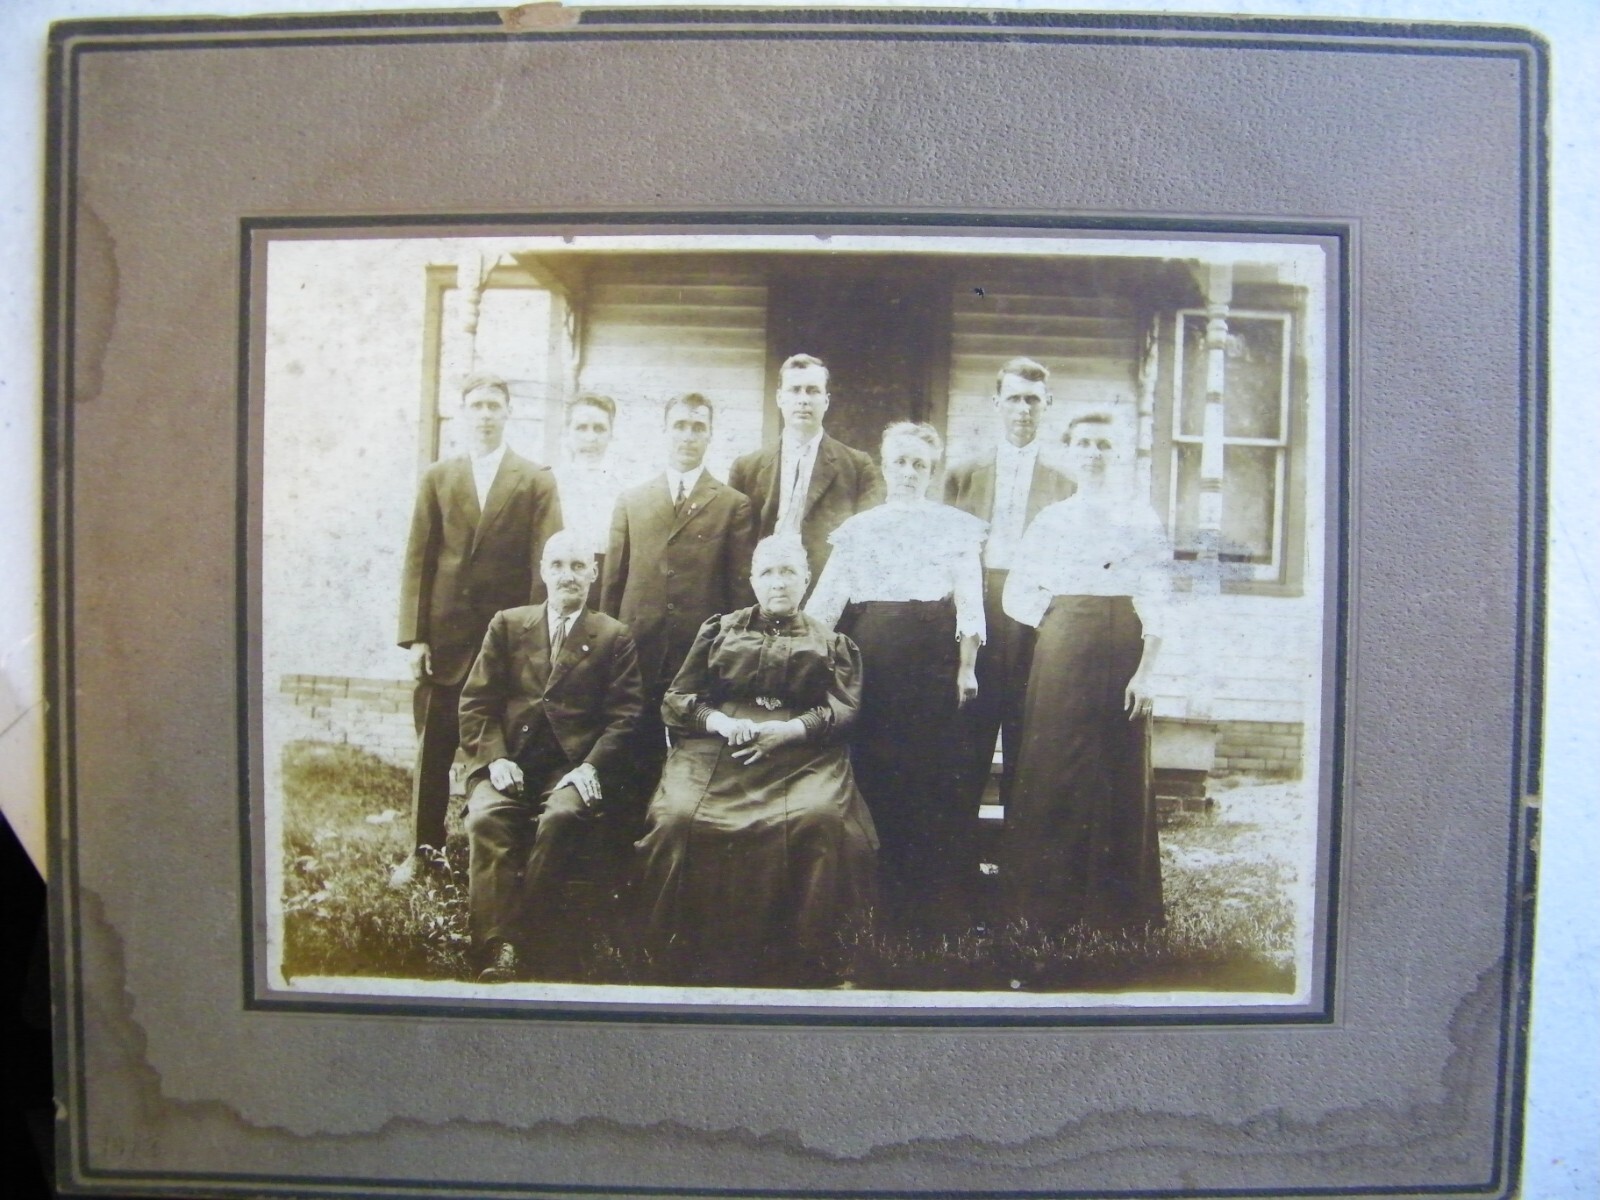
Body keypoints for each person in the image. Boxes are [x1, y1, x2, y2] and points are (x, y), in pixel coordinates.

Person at [635, 533, 878, 987]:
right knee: (678, 817)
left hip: (804, 752)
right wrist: (721, 724)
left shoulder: (830, 641)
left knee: (821, 818)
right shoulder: (720, 630)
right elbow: (678, 698)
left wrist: (788, 731)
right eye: (768, 571)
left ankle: (810, 960)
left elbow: (845, 710)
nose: (778, 582)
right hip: (719, 747)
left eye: (788, 571)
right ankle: (677, 957)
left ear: (806, 579)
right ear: (752, 579)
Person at [806, 422, 986, 933]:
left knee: (928, 777)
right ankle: (872, 899)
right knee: (874, 771)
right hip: (872, 660)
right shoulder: (860, 529)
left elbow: (970, 604)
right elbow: (825, 606)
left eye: (920, 465)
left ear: (931, 472)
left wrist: (967, 667)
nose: (908, 473)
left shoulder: (955, 527)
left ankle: (927, 904)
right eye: (900, 463)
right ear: (885, 467)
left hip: (931, 662)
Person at [1001, 411, 1173, 933]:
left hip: (1122, 644)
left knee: (1114, 769)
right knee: (1053, 765)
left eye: (1104, 444)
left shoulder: (1139, 518)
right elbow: (1018, 591)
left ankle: (1116, 911)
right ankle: (1044, 906)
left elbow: (1159, 598)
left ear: (1118, 454)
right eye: (1084, 443)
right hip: (1062, 648)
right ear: (1071, 451)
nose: (1094, 453)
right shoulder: (1052, 518)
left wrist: (1145, 673)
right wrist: (1061, 621)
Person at [392, 372, 562, 889]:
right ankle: (424, 852)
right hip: (444, 640)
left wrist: (537, 637)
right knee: (435, 748)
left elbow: (545, 563)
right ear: (464, 412)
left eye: (495, 405)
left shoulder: (534, 479)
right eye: (477, 405)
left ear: (509, 412)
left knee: (505, 747)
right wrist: (416, 636)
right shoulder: (438, 477)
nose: (486, 414)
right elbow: (418, 558)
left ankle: (504, 848)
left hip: (505, 641)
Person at [456, 531, 645, 981]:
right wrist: (495, 758)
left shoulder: (613, 636)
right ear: (543, 571)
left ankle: (532, 942)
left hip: (570, 768)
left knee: (561, 818)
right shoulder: (507, 624)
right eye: (558, 565)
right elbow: (475, 703)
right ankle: (497, 946)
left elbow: (627, 716)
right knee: (486, 818)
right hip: (510, 761)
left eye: (579, 566)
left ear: (594, 575)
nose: (568, 576)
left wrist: (590, 768)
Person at [601, 393, 756, 799]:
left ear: (710, 436)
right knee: (634, 757)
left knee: (695, 762)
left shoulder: (732, 505)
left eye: (698, 427)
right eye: (680, 426)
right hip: (638, 653)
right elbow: (612, 587)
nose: (688, 436)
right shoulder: (632, 500)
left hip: (697, 657)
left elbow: (739, 595)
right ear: (665, 432)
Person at [944, 357, 1074, 819]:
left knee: (1029, 734)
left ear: (1048, 405)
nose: (1023, 409)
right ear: (997, 403)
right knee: (967, 737)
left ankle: (1021, 865)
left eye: (1033, 400)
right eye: (1015, 398)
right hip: (980, 609)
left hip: (1035, 617)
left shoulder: (1065, 482)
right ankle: (957, 865)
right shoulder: (963, 474)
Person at [728, 354, 884, 586]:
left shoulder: (858, 467)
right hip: (764, 597)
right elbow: (736, 552)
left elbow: (867, 547)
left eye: (812, 391)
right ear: (780, 398)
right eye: (795, 390)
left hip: (826, 595)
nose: (804, 400)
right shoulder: (746, 468)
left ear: (826, 401)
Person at [552, 393, 624, 600]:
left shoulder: (625, 487)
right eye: (581, 427)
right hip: (560, 581)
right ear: (567, 432)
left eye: (599, 428)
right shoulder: (551, 483)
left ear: (611, 433)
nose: (590, 437)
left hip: (606, 581)